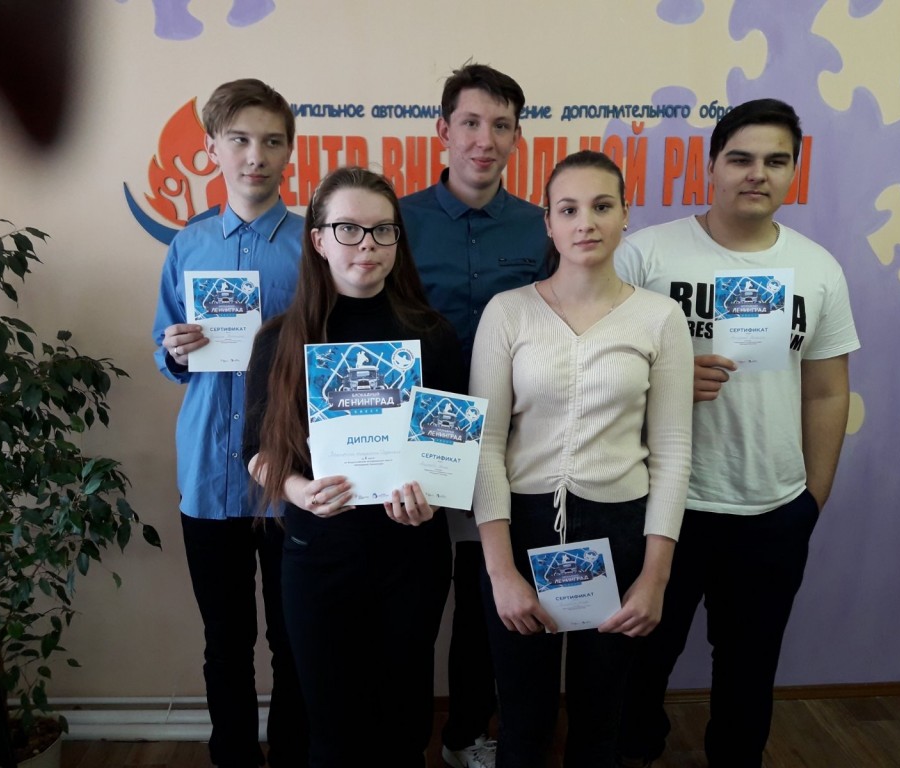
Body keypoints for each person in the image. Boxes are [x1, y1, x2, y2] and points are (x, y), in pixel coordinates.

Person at [613, 98, 861, 768]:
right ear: (711, 166)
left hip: (771, 510)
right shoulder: (644, 256)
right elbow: (592, 372)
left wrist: (811, 499)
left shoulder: (818, 269)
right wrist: (663, 378)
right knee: (638, 663)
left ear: (793, 173)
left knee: (750, 671)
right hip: (661, 504)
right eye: (741, 159)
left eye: (776, 161)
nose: (758, 174)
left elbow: (827, 390)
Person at [470, 150, 694, 767]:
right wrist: (501, 572)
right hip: (521, 529)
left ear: (625, 215)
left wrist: (654, 578)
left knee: (602, 719)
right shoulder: (508, 311)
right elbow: (485, 445)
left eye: (602, 206)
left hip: (621, 531)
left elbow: (673, 452)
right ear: (547, 222)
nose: (585, 223)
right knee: (524, 719)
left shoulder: (660, 318)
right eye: (568, 209)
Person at [243, 167, 466, 768]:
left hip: (410, 556)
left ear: (397, 240)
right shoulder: (279, 339)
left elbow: (452, 448)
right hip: (318, 555)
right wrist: (298, 490)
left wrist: (434, 493)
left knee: (404, 726)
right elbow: (256, 453)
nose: (366, 244)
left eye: (382, 230)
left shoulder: (434, 337)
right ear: (318, 239)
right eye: (348, 229)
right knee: (332, 731)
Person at [151, 78, 308, 768]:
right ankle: (234, 757)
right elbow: (165, 352)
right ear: (213, 148)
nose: (256, 156)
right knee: (226, 638)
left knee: (294, 636)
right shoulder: (188, 246)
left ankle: (295, 753)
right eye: (240, 140)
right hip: (209, 473)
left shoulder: (313, 246)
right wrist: (175, 348)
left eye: (272, 141)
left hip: (289, 474)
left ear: (289, 152)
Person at [399, 62, 549, 768]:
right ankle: (399, 742)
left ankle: (465, 733)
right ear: (443, 130)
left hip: (507, 439)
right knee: (410, 598)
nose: (484, 140)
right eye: (470, 123)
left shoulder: (540, 227)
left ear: (517, 137)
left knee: (485, 590)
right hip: (412, 439)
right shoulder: (396, 220)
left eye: (500, 125)